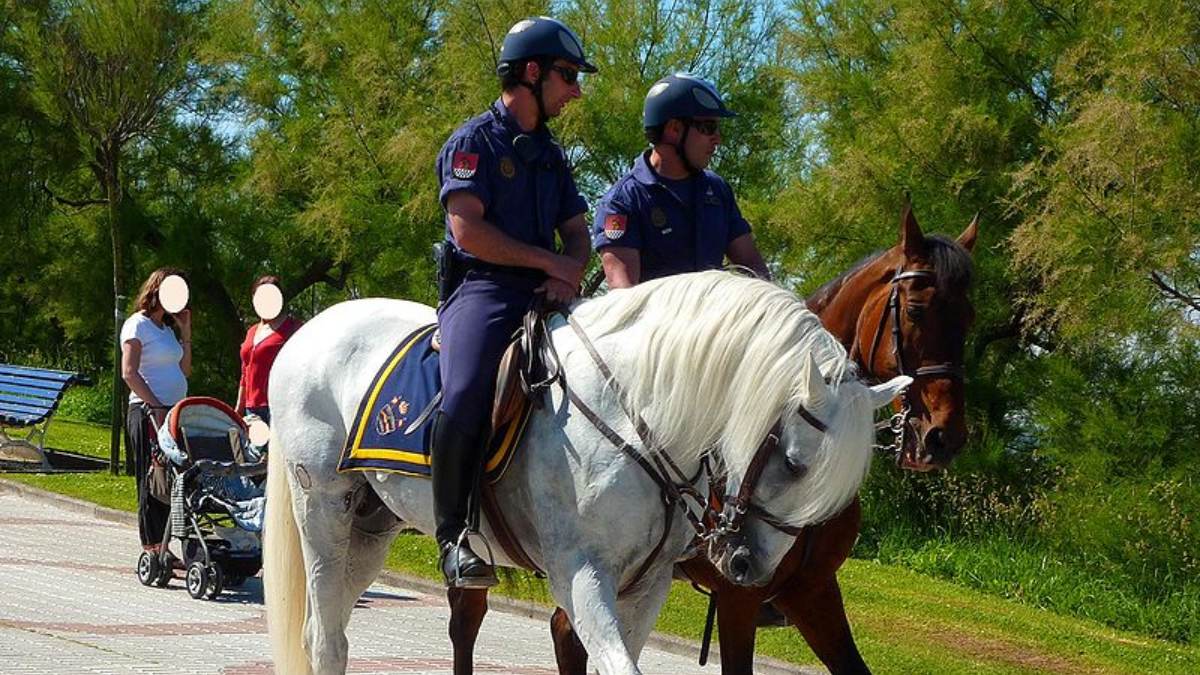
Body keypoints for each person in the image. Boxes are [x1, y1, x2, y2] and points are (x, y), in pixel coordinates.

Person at [431, 16, 595, 587]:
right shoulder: (472, 143)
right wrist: (552, 263)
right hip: (484, 289)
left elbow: (578, 230)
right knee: (468, 387)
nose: (575, 89)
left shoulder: (552, 155)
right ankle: (452, 535)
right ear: (532, 73)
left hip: (548, 291)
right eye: (568, 75)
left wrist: (571, 270)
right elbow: (468, 231)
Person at [592, 73, 769, 288]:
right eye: (708, 127)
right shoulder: (623, 202)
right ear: (674, 129)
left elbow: (755, 271)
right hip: (657, 321)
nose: (718, 139)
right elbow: (626, 297)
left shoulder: (717, 189)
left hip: (716, 319)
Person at [120, 267, 192, 553]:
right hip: (147, 411)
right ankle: (152, 548)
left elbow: (184, 372)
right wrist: (154, 406)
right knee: (152, 478)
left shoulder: (166, 331)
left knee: (172, 481)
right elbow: (129, 372)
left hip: (171, 414)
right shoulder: (137, 325)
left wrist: (185, 332)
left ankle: (165, 545)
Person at [235, 275, 300, 426]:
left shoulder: (293, 328)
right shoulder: (252, 331)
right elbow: (245, 372)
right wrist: (238, 409)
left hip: (279, 407)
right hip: (251, 408)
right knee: (253, 449)